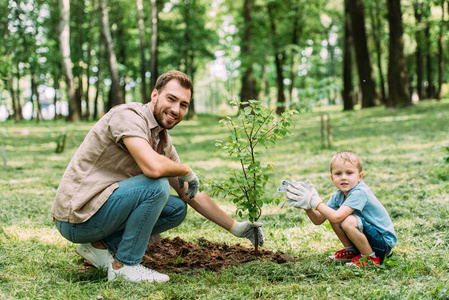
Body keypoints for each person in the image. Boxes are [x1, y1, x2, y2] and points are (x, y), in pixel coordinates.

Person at [51, 70, 263, 283]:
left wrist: (236, 227)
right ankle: (124, 266)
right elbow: (153, 168)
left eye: (183, 105)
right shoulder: (128, 116)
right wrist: (186, 170)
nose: (175, 109)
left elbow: (190, 193)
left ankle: (98, 247)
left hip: (99, 212)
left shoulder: (161, 139)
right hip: (77, 218)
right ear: (155, 96)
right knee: (156, 185)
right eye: (171, 99)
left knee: (177, 209)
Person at [278, 151, 396, 266]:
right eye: (338, 174)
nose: (343, 177)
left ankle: (369, 258)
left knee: (347, 220)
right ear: (332, 178)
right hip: (367, 241)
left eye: (349, 173)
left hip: (382, 244)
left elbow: (336, 217)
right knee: (332, 213)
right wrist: (307, 206)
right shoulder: (338, 196)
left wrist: (316, 202)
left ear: (360, 177)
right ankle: (352, 252)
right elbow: (318, 220)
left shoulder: (359, 192)